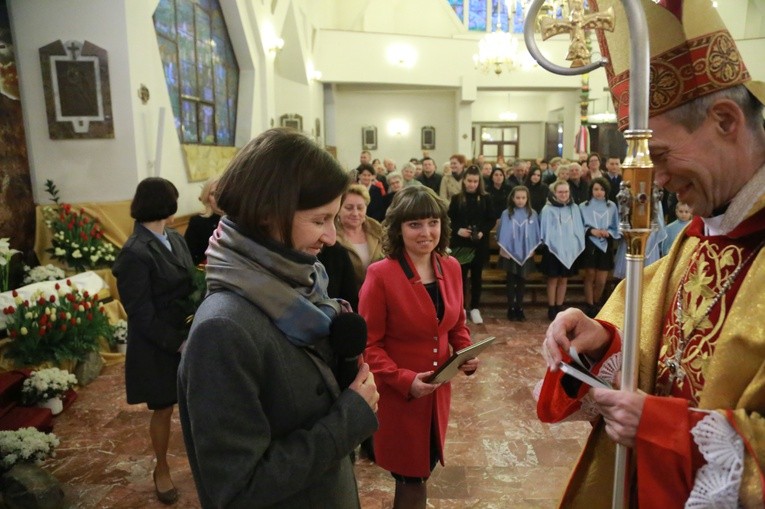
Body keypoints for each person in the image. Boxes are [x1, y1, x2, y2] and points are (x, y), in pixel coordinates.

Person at [535, 0, 765, 506]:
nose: (655, 180)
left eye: (659, 155)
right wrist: (602, 343)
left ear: (726, 120)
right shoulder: (699, 235)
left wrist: (667, 430)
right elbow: (664, 361)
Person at [178, 128, 379, 508]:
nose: (332, 237)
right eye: (320, 220)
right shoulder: (224, 328)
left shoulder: (299, 288)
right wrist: (349, 418)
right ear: (269, 213)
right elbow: (237, 490)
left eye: (334, 219)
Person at [358, 186, 479, 509]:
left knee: (421, 470)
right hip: (400, 395)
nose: (426, 232)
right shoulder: (381, 274)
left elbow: (455, 322)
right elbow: (368, 345)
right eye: (415, 225)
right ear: (398, 228)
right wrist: (404, 379)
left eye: (432, 222)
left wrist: (464, 352)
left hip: (437, 394)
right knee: (410, 476)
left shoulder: (449, 266)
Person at [111, 177, 195, 505]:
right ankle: (161, 469)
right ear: (165, 205)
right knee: (163, 408)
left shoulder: (175, 237)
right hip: (159, 344)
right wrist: (176, 342)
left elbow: (190, 281)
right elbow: (140, 313)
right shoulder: (135, 252)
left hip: (186, 335)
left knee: (193, 403)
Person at [447, 165, 495, 325]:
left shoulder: (486, 198)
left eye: (475, 181)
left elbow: (491, 219)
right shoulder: (456, 198)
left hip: (479, 244)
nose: (472, 184)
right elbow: (449, 220)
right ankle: (460, 308)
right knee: (460, 278)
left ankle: (475, 307)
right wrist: (458, 230)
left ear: (479, 182)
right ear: (464, 181)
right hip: (460, 244)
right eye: (469, 181)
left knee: (476, 277)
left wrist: (482, 231)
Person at [539, 179, 585, 321]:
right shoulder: (547, 209)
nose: (563, 194)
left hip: (569, 249)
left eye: (566, 192)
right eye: (560, 192)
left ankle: (560, 306)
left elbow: (578, 228)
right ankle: (551, 307)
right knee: (553, 279)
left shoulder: (574, 208)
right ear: (554, 193)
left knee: (564, 279)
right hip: (552, 250)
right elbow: (544, 230)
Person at [496, 186, 540, 321]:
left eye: (523, 198)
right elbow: (502, 233)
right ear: (513, 198)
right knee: (510, 280)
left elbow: (535, 233)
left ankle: (520, 308)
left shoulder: (532, 213)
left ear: (527, 199)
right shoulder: (506, 213)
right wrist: (505, 248)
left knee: (522, 281)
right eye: (518, 198)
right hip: (510, 252)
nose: (520, 201)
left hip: (526, 252)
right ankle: (510, 307)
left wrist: (531, 249)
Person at [578, 177, 620, 317]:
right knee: (590, 276)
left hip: (605, 244)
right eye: (596, 189)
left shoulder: (612, 206)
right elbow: (579, 226)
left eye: (602, 189)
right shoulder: (583, 206)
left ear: (606, 191)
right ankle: (589, 305)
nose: (599, 192)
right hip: (590, 243)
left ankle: (596, 303)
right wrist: (591, 231)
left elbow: (616, 226)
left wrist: (609, 233)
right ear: (591, 190)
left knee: (601, 279)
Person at [335, 184, 385, 289]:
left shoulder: (379, 231)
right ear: (338, 209)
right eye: (349, 208)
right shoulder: (331, 236)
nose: (355, 213)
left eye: (360, 208)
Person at [183, 177, 222, 265]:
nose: (218, 197)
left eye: (222, 192)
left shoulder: (239, 219)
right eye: (213, 194)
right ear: (207, 198)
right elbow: (189, 256)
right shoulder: (198, 222)